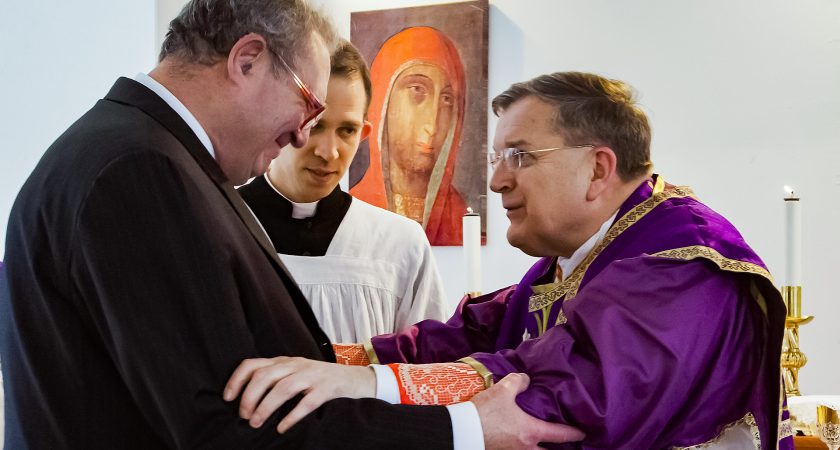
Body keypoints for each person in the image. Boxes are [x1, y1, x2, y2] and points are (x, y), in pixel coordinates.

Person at [0, 1, 584, 448]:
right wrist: (463, 430)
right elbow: (224, 422)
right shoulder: (139, 170)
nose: (306, 136)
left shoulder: (141, 152)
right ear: (246, 60)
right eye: (307, 104)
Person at [224, 72, 794, 449]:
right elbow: (478, 332)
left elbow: (569, 393)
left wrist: (362, 387)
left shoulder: (681, 262)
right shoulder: (586, 256)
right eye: (496, 158)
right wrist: (331, 360)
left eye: (518, 156)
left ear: (598, 168)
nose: (495, 181)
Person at [238, 40, 449, 343]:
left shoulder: (401, 245)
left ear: (363, 134)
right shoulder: (219, 224)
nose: (329, 152)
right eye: (316, 125)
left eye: (347, 130)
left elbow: (424, 372)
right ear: (276, 119)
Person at [349, 27, 467, 246]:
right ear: (382, 101)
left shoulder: (465, 223)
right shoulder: (349, 215)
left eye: (447, 99)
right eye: (417, 90)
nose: (431, 125)